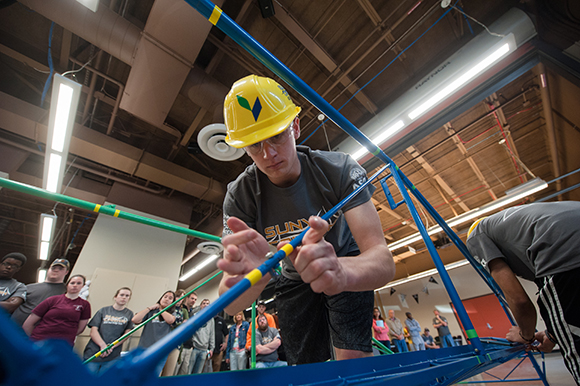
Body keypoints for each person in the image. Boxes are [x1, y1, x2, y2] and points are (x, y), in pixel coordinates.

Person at [217, 75, 395, 365]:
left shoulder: (339, 169)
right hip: (291, 276)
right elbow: (232, 303)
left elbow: (383, 261)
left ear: (295, 126)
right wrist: (251, 281)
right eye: (253, 145)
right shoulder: (240, 196)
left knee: (352, 359)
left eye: (276, 135)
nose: (268, 154)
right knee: (304, 367)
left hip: (345, 261)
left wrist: (340, 271)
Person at [466, 202, 580, 384]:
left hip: (565, 260)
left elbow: (519, 300)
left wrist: (525, 335)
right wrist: (552, 334)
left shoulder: (475, 235)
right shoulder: (520, 221)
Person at [22, 274, 91, 346]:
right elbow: (28, 324)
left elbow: (80, 329)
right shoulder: (52, 300)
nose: (75, 285)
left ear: (83, 286)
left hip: (64, 344)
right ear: (67, 285)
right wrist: (32, 340)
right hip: (40, 340)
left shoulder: (85, 305)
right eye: (72, 283)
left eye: (79, 283)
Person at [83, 287, 134, 374]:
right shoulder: (103, 311)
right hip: (94, 353)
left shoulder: (129, 314)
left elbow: (127, 334)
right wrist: (103, 346)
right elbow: (93, 331)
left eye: (127, 296)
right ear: (115, 297)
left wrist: (111, 347)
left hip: (112, 356)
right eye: (121, 295)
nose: (124, 297)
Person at [12, 258, 70, 326]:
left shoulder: (66, 291)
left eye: (60, 269)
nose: (56, 270)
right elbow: (13, 305)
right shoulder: (29, 287)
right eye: (53, 268)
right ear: (49, 269)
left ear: (66, 272)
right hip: (12, 327)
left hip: (38, 332)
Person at [132, 291, 176, 376]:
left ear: (172, 302)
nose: (167, 299)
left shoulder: (173, 313)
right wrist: (149, 308)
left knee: (153, 375)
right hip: (144, 349)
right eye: (165, 297)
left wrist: (161, 309)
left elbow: (170, 320)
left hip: (160, 351)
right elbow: (135, 319)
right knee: (139, 375)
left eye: (170, 298)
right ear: (161, 298)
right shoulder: (151, 312)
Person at [161, 289, 186, 376]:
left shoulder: (182, 311)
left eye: (182, 298)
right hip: (162, 342)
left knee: (168, 373)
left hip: (175, 343)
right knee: (157, 372)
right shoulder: (165, 309)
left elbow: (181, 325)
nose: (179, 299)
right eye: (178, 297)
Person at [174, 292, 198, 375]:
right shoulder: (180, 310)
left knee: (184, 372)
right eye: (192, 298)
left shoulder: (192, 312)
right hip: (180, 345)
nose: (193, 301)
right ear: (186, 298)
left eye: (195, 299)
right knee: (174, 370)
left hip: (189, 345)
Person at [189, 299, 215, 374]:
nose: (206, 305)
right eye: (204, 303)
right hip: (195, 347)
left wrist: (211, 348)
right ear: (201, 305)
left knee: (198, 372)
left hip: (204, 350)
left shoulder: (211, 319)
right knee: (188, 371)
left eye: (208, 303)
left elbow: (211, 334)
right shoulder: (196, 316)